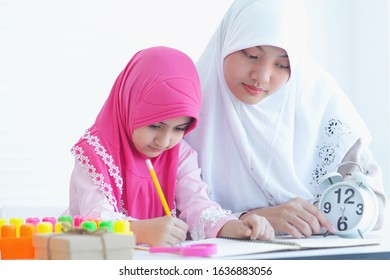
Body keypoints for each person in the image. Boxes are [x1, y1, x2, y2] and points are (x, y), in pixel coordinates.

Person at [185, 0, 387, 238]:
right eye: (251, 55)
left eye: (282, 64)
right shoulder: (183, 110)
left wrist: (311, 217)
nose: (261, 77)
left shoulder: (318, 99)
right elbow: (163, 215)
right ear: (227, 41)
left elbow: (375, 206)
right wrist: (250, 218)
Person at [64, 46, 274, 246]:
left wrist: (237, 228)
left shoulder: (180, 153)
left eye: (179, 128)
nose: (164, 142)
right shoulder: (95, 152)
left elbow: (198, 207)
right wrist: (141, 231)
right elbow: (95, 218)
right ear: (129, 103)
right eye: (155, 125)